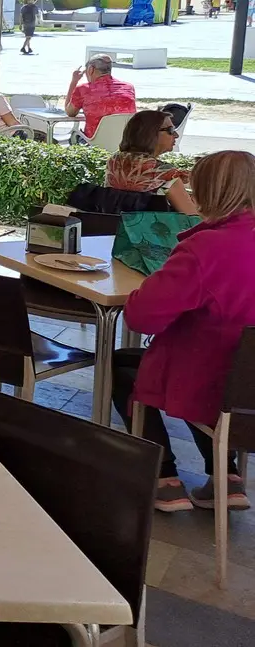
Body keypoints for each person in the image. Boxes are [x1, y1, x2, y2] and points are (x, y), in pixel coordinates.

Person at [111, 150, 255, 513]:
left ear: (207, 192)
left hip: (213, 379)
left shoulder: (206, 248)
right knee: (218, 374)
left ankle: (163, 477)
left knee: (125, 367)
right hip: (247, 390)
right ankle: (226, 475)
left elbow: (142, 317)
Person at [106, 111, 197, 214]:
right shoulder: (164, 172)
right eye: (170, 130)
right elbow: (192, 215)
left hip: (111, 222)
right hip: (149, 224)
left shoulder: (114, 161)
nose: (176, 135)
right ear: (150, 134)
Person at [65, 53, 136, 139]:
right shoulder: (128, 87)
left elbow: (70, 112)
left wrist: (74, 81)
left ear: (91, 69)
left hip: (95, 142)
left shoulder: (83, 89)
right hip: (125, 141)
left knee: (74, 136)